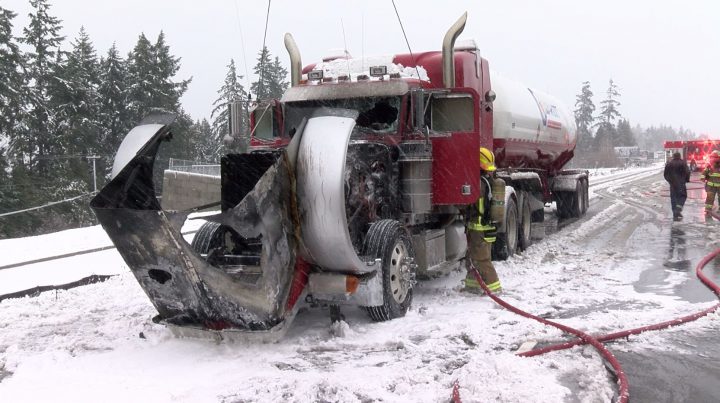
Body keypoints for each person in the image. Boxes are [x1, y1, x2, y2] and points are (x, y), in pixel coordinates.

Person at [463, 147, 502, 294]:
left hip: (479, 229)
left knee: (482, 261)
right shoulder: (488, 181)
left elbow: (468, 203)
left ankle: (494, 289)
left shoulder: (479, 184)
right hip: (484, 228)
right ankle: (472, 286)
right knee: (473, 259)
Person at [663, 152, 690, 221]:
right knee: (683, 196)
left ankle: (675, 213)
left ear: (673, 156)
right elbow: (687, 172)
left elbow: (665, 174)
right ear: (680, 156)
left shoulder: (669, 163)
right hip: (681, 184)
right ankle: (678, 209)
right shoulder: (683, 163)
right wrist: (686, 180)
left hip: (672, 184)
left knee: (673, 198)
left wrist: (670, 181)